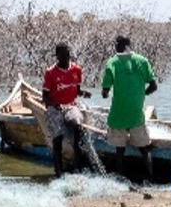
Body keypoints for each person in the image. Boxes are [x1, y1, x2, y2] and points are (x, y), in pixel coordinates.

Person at [99, 34, 158, 181]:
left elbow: (105, 92)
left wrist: (106, 92)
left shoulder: (112, 62)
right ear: (129, 45)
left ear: (117, 46)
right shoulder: (142, 61)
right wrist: (141, 94)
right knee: (144, 149)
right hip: (136, 114)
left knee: (120, 150)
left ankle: (121, 180)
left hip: (118, 115)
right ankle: (150, 179)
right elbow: (153, 85)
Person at [40, 43, 93, 175]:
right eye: (63, 55)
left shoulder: (76, 70)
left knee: (77, 125)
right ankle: (58, 170)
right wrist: (54, 104)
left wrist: (83, 93)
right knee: (57, 137)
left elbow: (77, 91)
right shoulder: (50, 72)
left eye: (68, 54)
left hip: (71, 105)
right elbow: (45, 97)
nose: (67, 57)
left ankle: (77, 166)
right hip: (55, 107)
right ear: (57, 56)